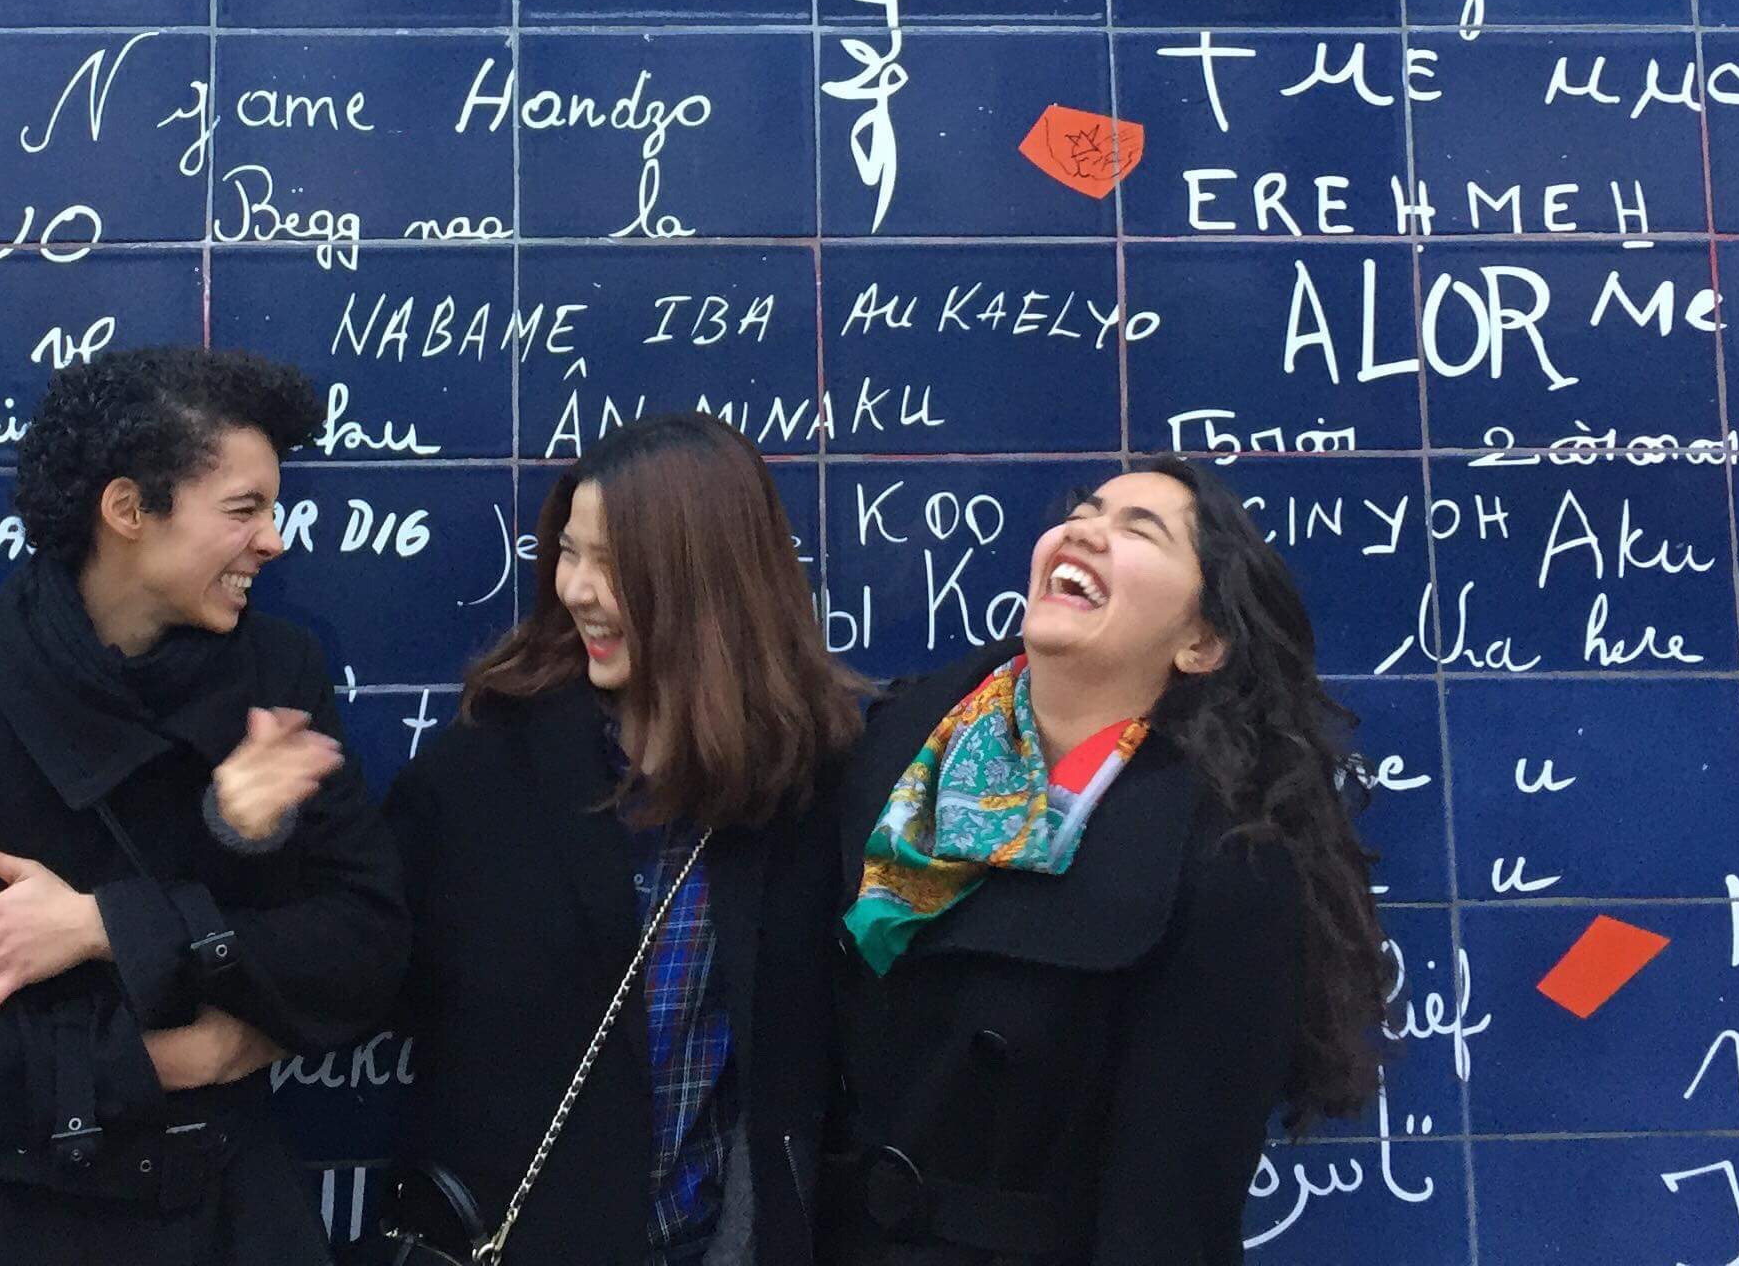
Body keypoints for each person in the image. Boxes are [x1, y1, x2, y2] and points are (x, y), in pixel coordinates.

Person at [0, 344, 408, 1266]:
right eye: (245, 509)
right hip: (0, 1230)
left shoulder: (277, 674)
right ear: (129, 510)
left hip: (227, 1220)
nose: (275, 540)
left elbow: (367, 952)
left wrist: (105, 925)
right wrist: (180, 1059)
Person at [820, 456, 1388, 1266]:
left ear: (1200, 643)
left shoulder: (1227, 860)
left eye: (1138, 531)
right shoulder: (892, 755)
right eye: (1084, 512)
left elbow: (1170, 1217)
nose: (1084, 529)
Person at [382, 412, 865, 1266]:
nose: (576, 589)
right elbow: (361, 967)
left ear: (710, 579)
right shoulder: (486, 773)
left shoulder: (811, 781)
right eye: (569, 553)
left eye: (613, 563)